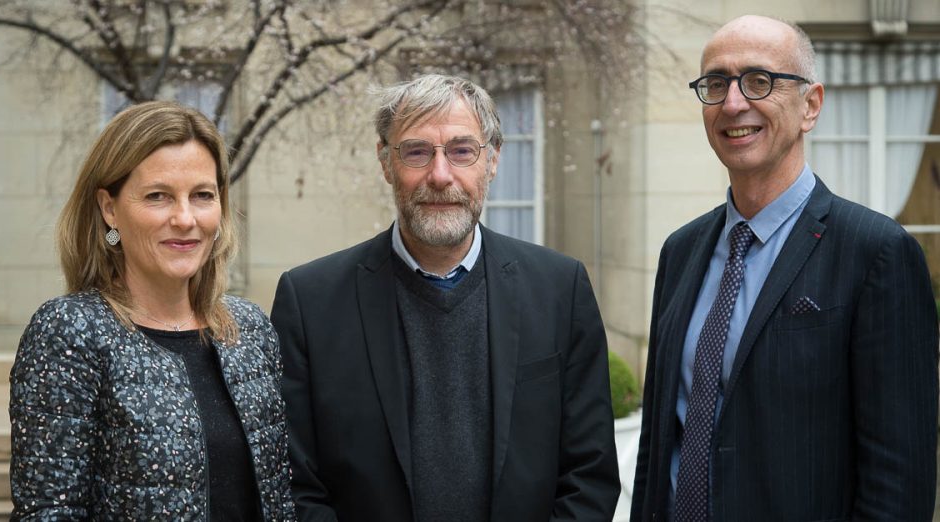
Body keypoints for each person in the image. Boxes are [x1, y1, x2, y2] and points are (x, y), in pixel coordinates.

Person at [271, 74, 620, 521]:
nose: (440, 175)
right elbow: (294, 486)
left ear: (492, 160)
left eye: (461, 151)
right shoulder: (310, 302)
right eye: (417, 151)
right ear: (385, 162)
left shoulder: (560, 289)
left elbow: (589, 477)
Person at [631, 15, 939, 521]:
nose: (733, 103)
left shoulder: (877, 252)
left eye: (760, 81)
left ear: (810, 105)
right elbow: (661, 441)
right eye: (716, 83)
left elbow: (897, 482)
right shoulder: (680, 251)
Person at [10, 101, 297, 521]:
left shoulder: (249, 329)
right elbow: (49, 512)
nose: (185, 219)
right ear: (110, 208)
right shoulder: (71, 332)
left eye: (202, 196)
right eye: (158, 196)